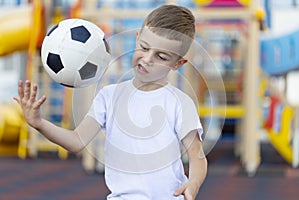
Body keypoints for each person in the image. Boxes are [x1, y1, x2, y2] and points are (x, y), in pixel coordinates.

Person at [14, 4, 207, 200]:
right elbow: (76, 141)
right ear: (137, 37)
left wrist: (193, 184)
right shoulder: (109, 96)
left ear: (178, 64)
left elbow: (197, 155)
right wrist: (38, 123)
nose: (147, 59)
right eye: (144, 48)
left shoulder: (180, 103)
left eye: (161, 56)